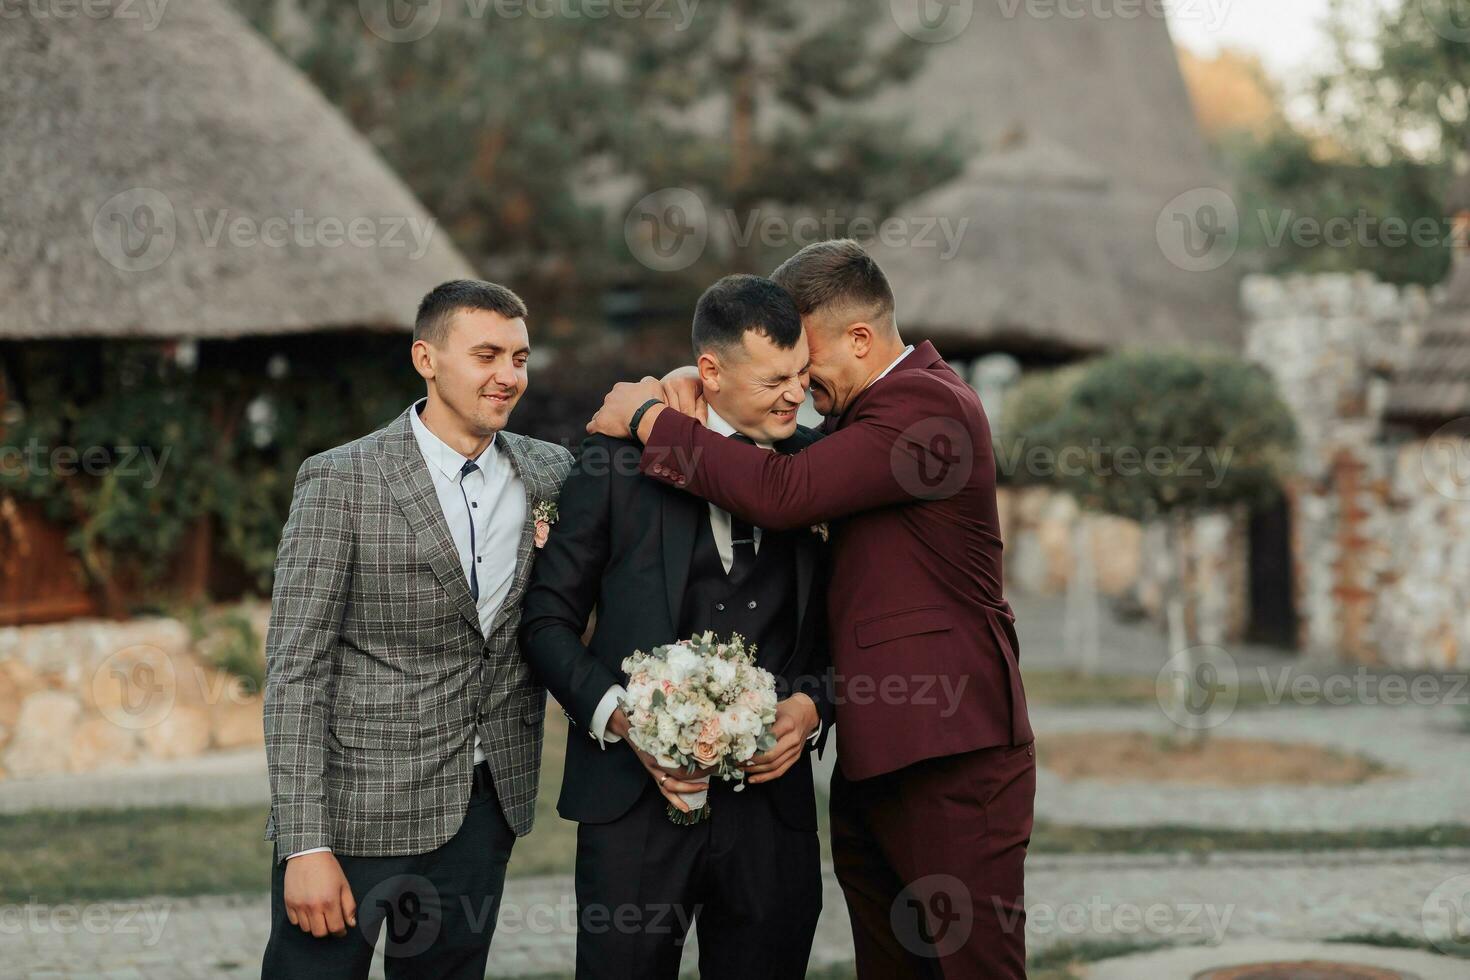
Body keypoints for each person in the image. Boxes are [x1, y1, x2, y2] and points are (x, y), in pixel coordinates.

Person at [586, 240, 1035, 979]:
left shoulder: (927, 406)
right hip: (883, 756)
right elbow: (768, 448)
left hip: (953, 757)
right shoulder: (863, 419)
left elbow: (782, 494)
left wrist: (649, 422)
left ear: (860, 339)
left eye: (806, 360)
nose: (796, 385)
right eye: (782, 370)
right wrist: (689, 389)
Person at [522, 274, 835, 979]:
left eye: (801, 374)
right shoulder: (614, 461)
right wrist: (627, 721)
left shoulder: (824, 467)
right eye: (772, 379)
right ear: (711, 373)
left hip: (771, 817)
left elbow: (858, 630)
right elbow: (546, 621)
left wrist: (814, 706)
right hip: (632, 807)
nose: (794, 395)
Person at [261, 280, 573, 979]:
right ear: (426, 359)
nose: (508, 376)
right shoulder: (340, 481)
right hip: (356, 815)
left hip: (487, 804)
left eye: (520, 358)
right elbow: (294, 673)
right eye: (487, 354)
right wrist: (304, 844)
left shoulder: (551, 472)